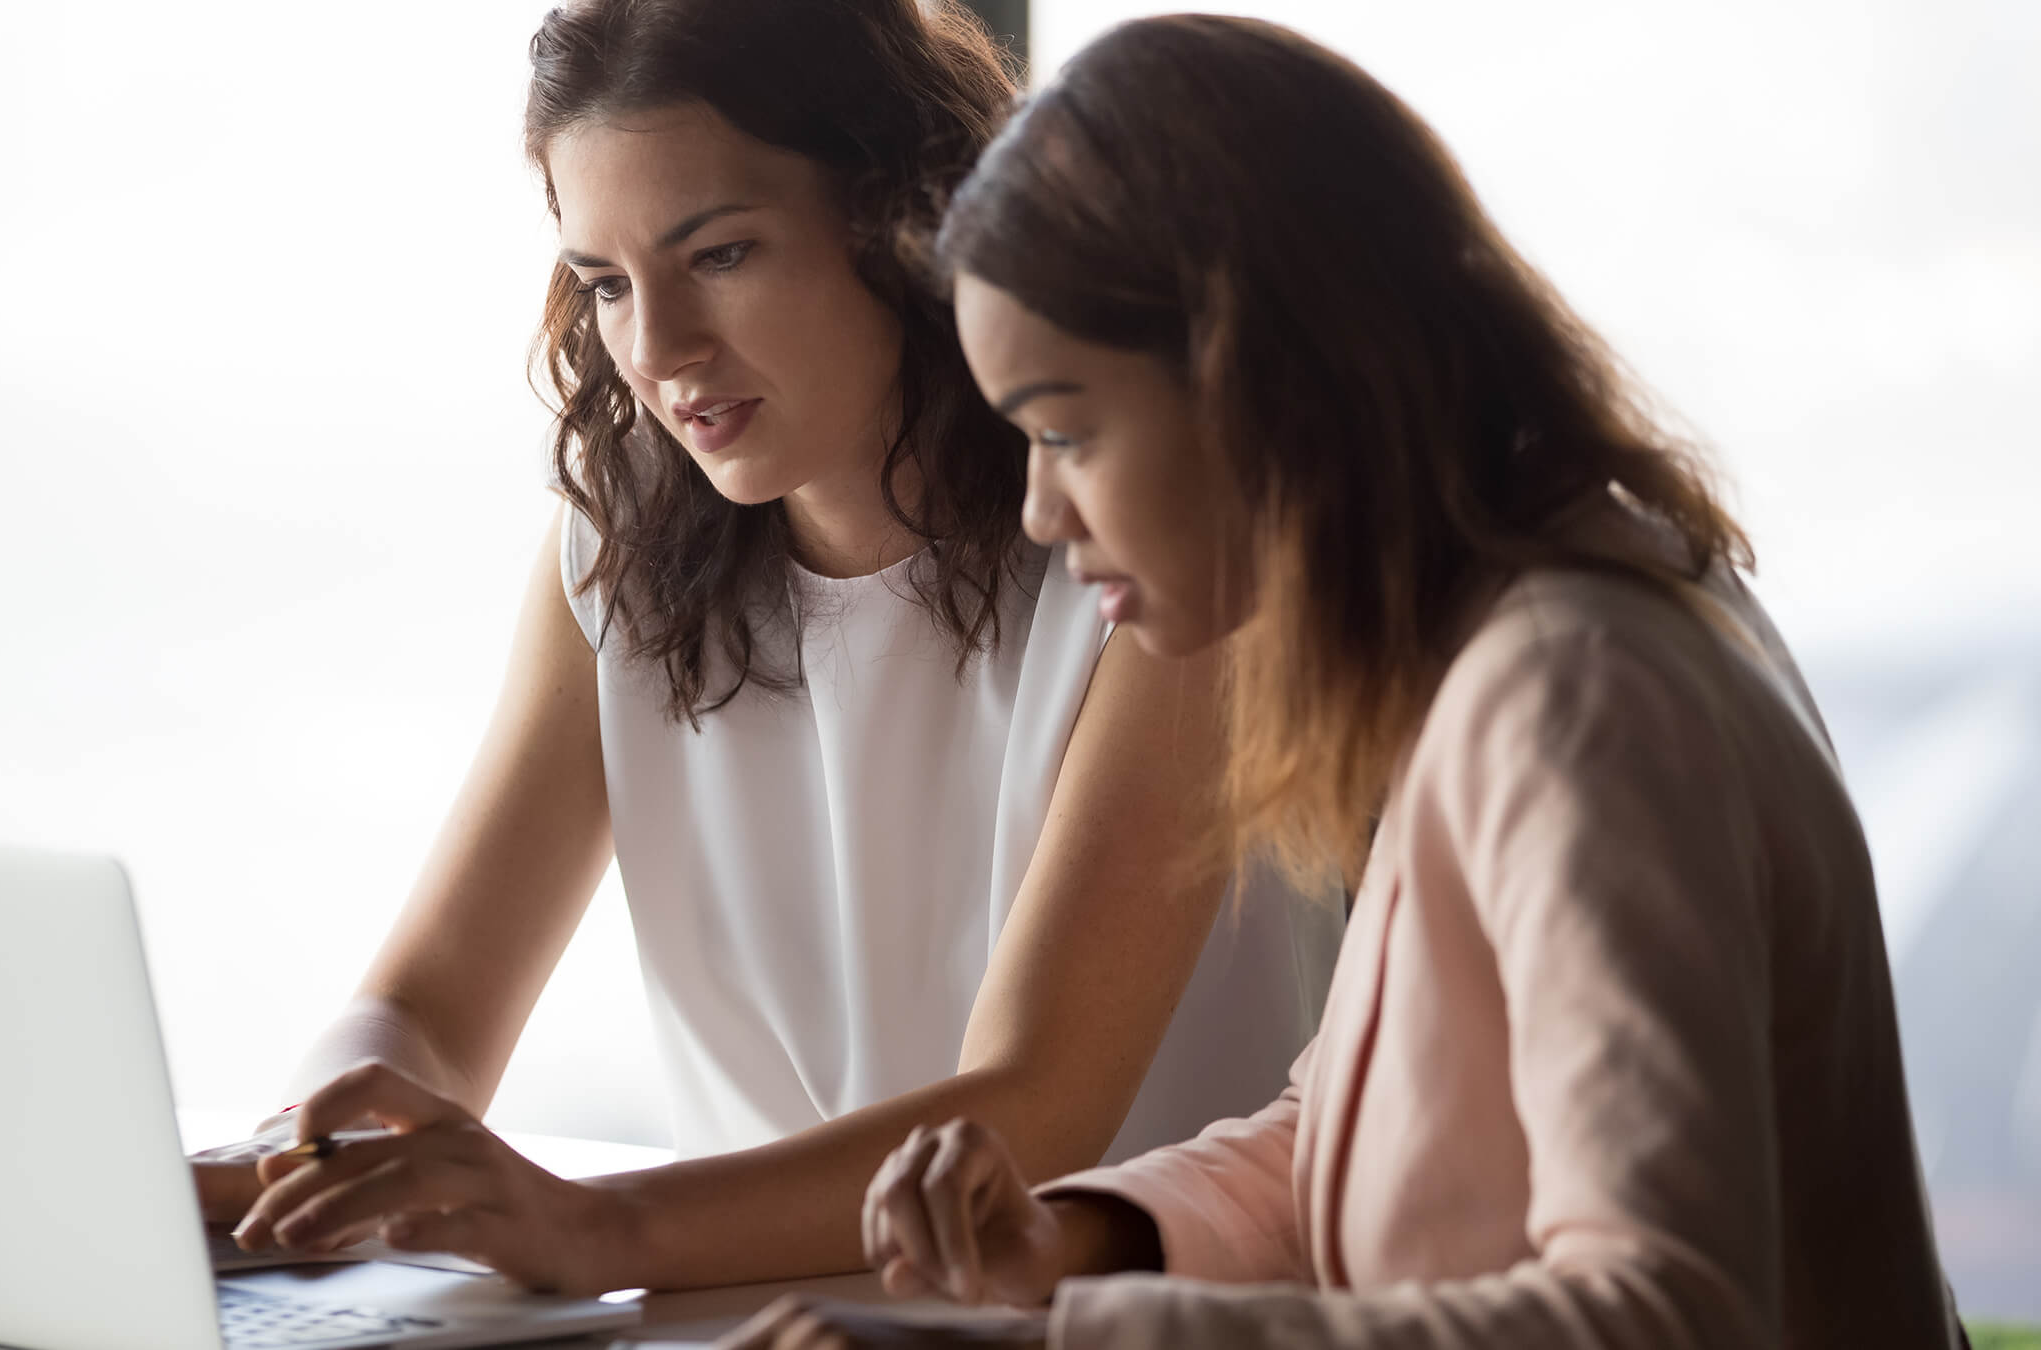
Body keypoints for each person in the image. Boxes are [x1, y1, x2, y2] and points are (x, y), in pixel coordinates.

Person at [729, 14, 1964, 1348]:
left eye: (1068, 429)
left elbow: (1669, 1310)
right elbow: (1371, 1109)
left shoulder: (1576, 699)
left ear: (1261, 381)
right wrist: (1075, 1239)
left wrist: (1060, 1344)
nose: (1039, 508)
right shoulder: (1494, 643)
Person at [195, 0, 1338, 1296]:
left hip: (1100, 1322)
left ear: (904, 218)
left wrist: (586, 1224)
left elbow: (1026, 1115)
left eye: (721, 254)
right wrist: (302, 1153)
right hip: (744, 1325)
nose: (658, 350)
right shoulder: (619, 540)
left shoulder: (1143, 539)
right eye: (606, 283)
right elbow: (434, 1005)